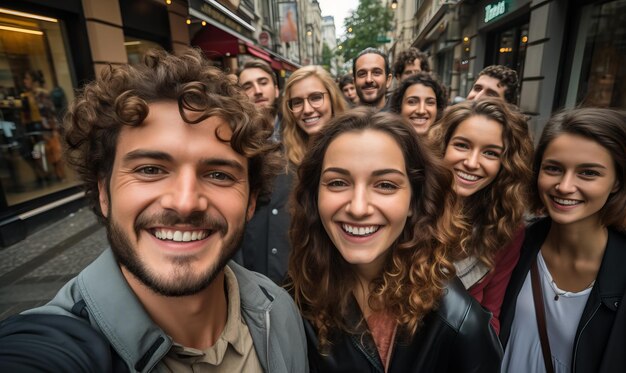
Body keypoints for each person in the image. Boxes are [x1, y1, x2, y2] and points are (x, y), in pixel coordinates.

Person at [0, 48, 308, 372]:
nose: (185, 202)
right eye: (150, 169)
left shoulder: (279, 309)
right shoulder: (57, 343)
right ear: (104, 192)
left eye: (219, 175)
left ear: (250, 202)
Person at [289, 108, 502, 372]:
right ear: (314, 197)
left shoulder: (459, 321)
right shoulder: (291, 301)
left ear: (414, 200)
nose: (358, 207)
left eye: (386, 185)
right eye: (337, 183)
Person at [499, 108, 626, 373]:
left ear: (617, 181)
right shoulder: (513, 243)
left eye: (588, 173)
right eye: (553, 169)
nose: (565, 186)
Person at [429, 99, 534, 334]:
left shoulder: (505, 226)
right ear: (442, 145)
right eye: (462, 145)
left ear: (505, 164)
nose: (472, 162)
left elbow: (489, 316)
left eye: (490, 153)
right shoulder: (410, 205)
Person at [281, 65, 347, 166]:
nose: (307, 110)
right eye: (297, 102)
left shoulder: (355, 148)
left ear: (332, 99)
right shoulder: (282, 161)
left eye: (316, 98)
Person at [20, 70, 65, 184]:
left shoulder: (42, 94)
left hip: (46, 129)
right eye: (24, 79)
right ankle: (43, 175)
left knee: (53, 153)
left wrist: (54, 130)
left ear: (34, 81)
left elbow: (51, 112)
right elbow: (25, 115)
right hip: (33, 131)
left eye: (27, 79)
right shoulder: (25, 96)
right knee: (36, 153)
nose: (25, 82)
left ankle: (59, 175)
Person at [237, 59, 281, 140]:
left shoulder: (297, 129)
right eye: (247, 87)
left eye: (263, 83)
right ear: (240, 96)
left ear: (276, 90)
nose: (258, 91)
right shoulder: (236, 136)